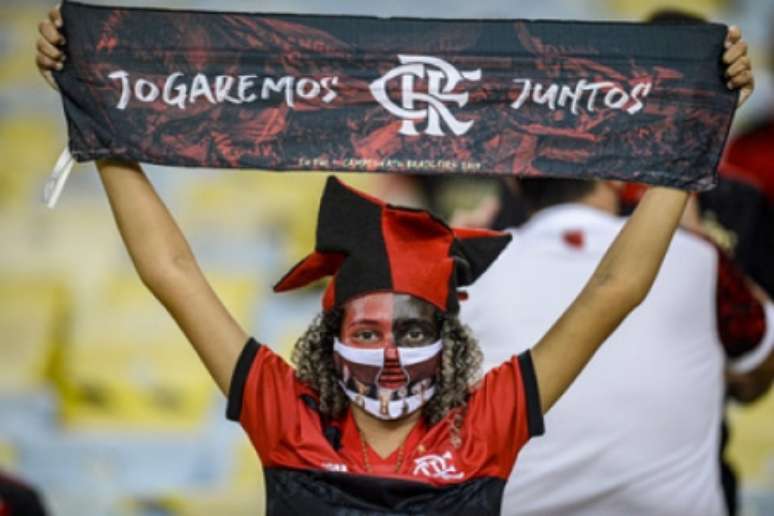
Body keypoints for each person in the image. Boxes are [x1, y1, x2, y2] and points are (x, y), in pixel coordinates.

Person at [35, 5, 755, 515]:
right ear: (328, 335)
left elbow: (616, 287)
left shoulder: (486, 421)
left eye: (412, 331)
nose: (388, 355)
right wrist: (100, 118)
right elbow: (172, 271)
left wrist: (691, 129)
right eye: (369, 331)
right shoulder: (285, 411)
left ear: (447, 339)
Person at [461, 175, 774, 516]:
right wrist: (698, 241)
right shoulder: (697, 256)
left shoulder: (465, 269)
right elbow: (756, 368)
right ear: (615, 178)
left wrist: (438, 253)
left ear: (514, 182)